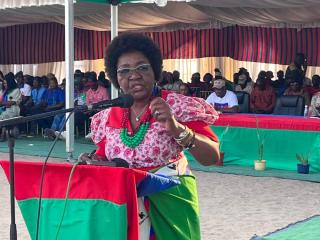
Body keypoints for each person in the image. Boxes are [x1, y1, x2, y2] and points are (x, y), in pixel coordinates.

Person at [84, 33, 220, 240]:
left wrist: (176, 128)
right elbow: (104, 158)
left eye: (142, 68)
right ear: (116, 78)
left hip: (171, 207)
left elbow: (212, 158)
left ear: (155, 72)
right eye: (124, 70)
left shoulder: (178, 106)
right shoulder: (107, 115)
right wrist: (94, 162)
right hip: (124, 209)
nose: (134, 75)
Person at [0, 73, 22, 141]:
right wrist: (4, 103)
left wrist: (3, 103)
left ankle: (3, 135)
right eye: (4, 83)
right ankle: (3, 134)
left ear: (10, 82)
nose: (4, 85)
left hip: (12, 110)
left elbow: (12, 102)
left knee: (4, 116)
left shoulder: (16, 90)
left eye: (6, 83)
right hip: (4, 109)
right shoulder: (3, 91)